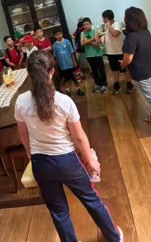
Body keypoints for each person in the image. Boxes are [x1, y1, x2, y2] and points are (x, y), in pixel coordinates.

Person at [15, 51, 122, 241]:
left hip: (41, 163)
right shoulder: (64, 101)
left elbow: (23, 134)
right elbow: (79, 137)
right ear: (52, 71)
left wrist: (31, 156)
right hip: (68, 161)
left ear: (29, 74)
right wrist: (90, 161)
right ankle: (113, 237)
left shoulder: (21, 101)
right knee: (91, 200)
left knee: (58, 211)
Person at [121, 7, 151, 135]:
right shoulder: (145, 32)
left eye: (125, 17)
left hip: (142, 73)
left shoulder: (130, 38)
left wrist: (122, 63)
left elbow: (128, 59)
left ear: (128, 20)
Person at [102, 10, 134, 95]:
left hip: (119, 51)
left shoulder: (117, 24)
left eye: (103, 18)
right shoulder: (107, 26)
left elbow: (115, 34)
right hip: (110, 52)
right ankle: (117, 84)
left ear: (106, 18)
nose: (102, 20)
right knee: (114, 69)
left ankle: (129, 84)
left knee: (124, 69)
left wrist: (109, 26)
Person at [52, 29, 85, 97]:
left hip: (70, 63)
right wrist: (57, 65)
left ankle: (78, 89)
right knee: (65, 78)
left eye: (60, 34)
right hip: (62, 65)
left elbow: (72, 52)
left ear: (62, 33)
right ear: (54, 36)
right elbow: (56, 56)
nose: (59, 36)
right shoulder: (54, 45)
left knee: (74, 77)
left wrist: (74, 61)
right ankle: (67, 90)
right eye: (57, 35)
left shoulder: (67, 42)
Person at [80, 19, 108, 93]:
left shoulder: (95, 31)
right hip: (89, 55)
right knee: (94, 70)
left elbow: (96, 44)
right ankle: (98, 84)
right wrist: (91, 39)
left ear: (91, 24)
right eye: (84, 25)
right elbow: (82, 44)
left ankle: (104, 84)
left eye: (87, 24)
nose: (86, 26)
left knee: (101, 70)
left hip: (97, 54)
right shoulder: (82, 33)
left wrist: (86, 40)